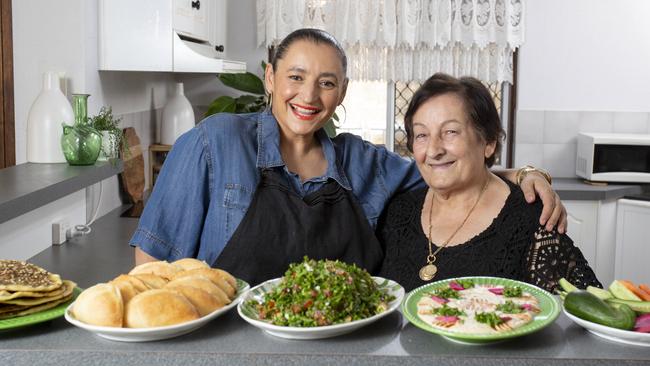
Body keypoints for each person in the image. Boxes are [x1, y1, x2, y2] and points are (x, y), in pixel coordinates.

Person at [131, 28, 566, 285]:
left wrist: (526, 173)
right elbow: (150, 269)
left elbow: (448, 169)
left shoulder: (362, 163)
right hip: (227, 349)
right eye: (295, 77)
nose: (308, 96)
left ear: (342, 92)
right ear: (270, 78)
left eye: (326, 82)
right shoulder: (214, 142)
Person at [377, 73, 601, 292]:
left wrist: (528, 173)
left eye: (451, 132)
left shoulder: (531, 219)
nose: (434, 150)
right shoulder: (398, 211)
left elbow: (585, 312)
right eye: (421, 135)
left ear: (489, 142)